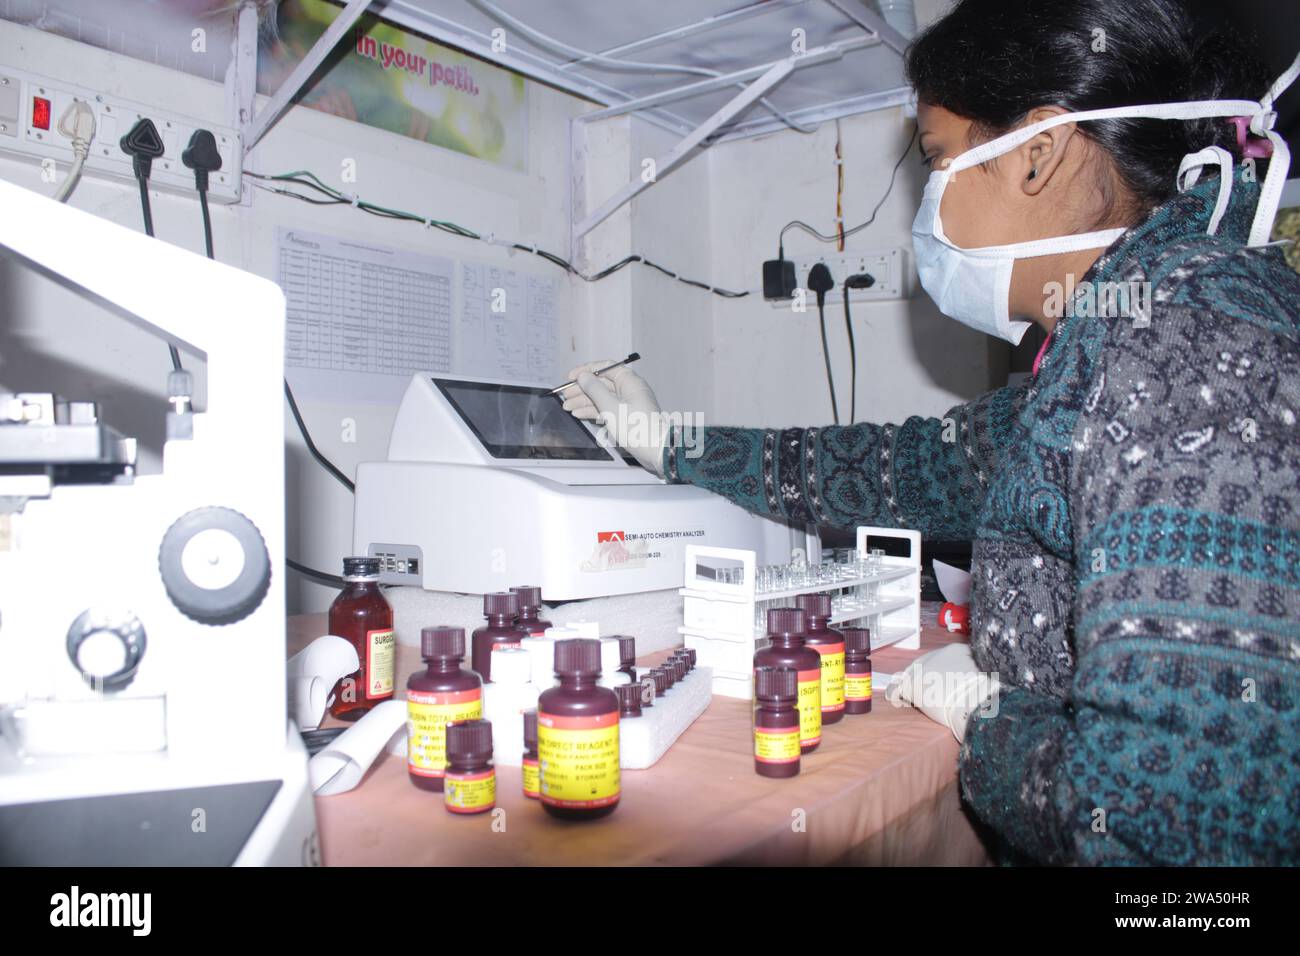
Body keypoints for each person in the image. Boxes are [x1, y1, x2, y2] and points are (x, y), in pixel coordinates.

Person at [560, 0, 1300, 865]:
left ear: (1038, 153)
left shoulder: (1182, 342)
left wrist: (991, 721)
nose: (931, 205)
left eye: (941, 160)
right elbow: (903, 468)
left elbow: (1166, 828)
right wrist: (668, 440)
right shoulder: (1113, 338)